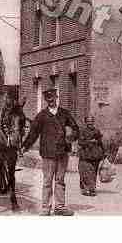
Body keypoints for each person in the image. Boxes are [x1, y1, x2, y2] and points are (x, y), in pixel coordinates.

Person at [21, 88, 79, 216]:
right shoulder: (41, 115)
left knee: (60, 180)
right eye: (48, 99)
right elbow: (33, 133)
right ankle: (46, 208)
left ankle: (60, 207)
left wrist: (71, 136)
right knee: (47, 181)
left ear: (56, 98)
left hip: (63, 152)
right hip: (48, 154)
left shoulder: (65, 114)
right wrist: (25, 146)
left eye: (52, 98)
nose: (51, 101)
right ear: (45, 100)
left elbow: (76, 129)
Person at [78, 116, 105, 197]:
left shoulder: (97, 131)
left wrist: (104, 153)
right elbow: (80, 142)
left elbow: (100, 143)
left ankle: (92, 188)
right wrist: (90, 142)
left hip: (95, 155)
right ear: (85, 122)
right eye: (88, 121)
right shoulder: (82, 131)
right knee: (85, 172)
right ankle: (85, 189)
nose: (90, 123)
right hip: (85, 155)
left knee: (93, 172)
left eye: (91, 121)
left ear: (93, 122)